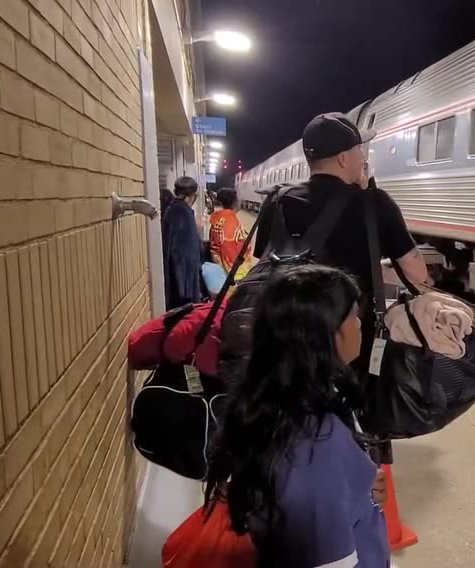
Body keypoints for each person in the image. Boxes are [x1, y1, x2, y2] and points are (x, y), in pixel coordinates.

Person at [205, 265, 390, 568]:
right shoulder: (317, 442)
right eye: (354, 315)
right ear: (329, 333)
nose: (360, 325)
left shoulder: (285, 399)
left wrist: (359, 491)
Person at [253, 112, 431, 374]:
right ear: (344, 157)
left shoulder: (276, 200)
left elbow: (265, 265)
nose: (365, 157)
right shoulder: (374, 203)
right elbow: (418, 274)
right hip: (349, 347)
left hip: (284, 339)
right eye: (360, 149)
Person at [163, 176, 204, 308]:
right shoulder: (183, 213)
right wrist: (186, 291)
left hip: (176, 280)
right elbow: (184, 255)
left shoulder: (170, 209)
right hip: (184, 286)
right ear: (192, 196)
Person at [208, 188, 252, 273]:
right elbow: (232, 255)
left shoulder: (218, 220)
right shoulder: (231, 224)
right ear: (235, 202)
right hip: (230, 277)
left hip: (219, 268)